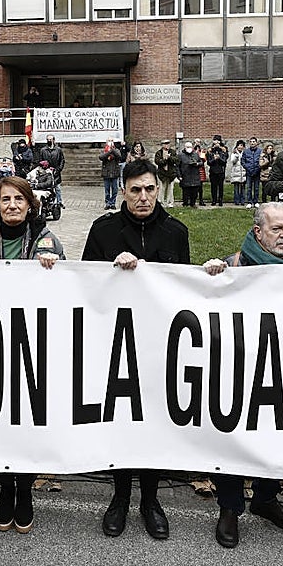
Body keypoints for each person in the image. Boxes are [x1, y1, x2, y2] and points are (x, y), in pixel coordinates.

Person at [82, 159, 190, 541]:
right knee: (122, 421)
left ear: (158, 189)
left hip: (159, 342)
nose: (143, 197)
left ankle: (150, 500)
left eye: (149, 189)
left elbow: (185, 289)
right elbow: (85, 286)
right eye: (135, 190)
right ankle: (120, 496)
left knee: (154, 422)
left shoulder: (176, 232)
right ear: (123, 192)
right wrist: (113, 271)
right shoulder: (103, 230)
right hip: (116, 341)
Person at [200, 202, 283, 548]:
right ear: (258, 232)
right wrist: (210, 278)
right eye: (277, 229)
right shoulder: (235, 265)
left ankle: (266, 497)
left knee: (278, 433)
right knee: (235, 436)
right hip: (241, 364)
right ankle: (230, 507)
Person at [0, 176, 65, 532]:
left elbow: (69, 288)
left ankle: (25, 488)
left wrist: (55, 270)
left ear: (30, 203)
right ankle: (5, 487)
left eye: (19, 199)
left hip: (33, 344)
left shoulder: (47, 239)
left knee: (27, 423)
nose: (12, 206)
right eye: (5, 200)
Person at [38, 135, 66, 209]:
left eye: (50, 139)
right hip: (46, 172)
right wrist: (44, 168)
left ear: (54, 140)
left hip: (56, 171)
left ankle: (59, 202)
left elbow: (62, 160)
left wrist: (58, 169)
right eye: (48, 139)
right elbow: (40, 161)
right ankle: (50, 202)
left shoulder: (58, 150)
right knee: (48, 188)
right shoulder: (43, 150)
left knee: (58, 188)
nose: (49, 141)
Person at [99, 137, 124, 210]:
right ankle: (107, 203)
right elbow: (101, 157)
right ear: (106, 142)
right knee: (107, 190)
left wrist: (112, 150)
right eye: (109, 141)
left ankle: (113, 203)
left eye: (112, 141)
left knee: (115, 189)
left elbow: (119, 156)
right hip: (106, 172)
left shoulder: (116, 150)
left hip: (114, 172)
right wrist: (109, 152)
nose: (110, 142)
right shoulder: (104, 150)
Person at [154, 139, 179, 208]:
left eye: (168, 144)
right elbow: (157, 162)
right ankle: (161, 203)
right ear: (162, 145)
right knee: (162, 189)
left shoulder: (172, 152)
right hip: (162, 174)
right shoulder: (159, 153)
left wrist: (169, 157)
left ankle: (170, 203)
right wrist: (165, 160)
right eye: (165, 144)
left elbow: (176, 160)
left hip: (171, 174)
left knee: (170, 189)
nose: (167, 145)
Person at [178, 140, 203, 207]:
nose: (189, 148)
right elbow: (177, 166)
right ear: (185, 147)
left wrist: (197, 164)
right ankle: (185, 203)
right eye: (187, 147)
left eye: (190, 147)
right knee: (186, 192)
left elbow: (201, 162)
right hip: (185, 175)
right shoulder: (181, 155)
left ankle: (193, 203)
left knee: (194, 192)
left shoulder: (195, 154)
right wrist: (179, 175)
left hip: (195, 176)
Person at [206, 135, 228, 206]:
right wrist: (214, 159)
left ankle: (220, 200)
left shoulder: (224, 149)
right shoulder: (210, 150)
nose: (217, 142)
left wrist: (219, 158)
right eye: (215, 140)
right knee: (213, 187)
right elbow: (209, 162)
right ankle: (214, 200)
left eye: (218, 140)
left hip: (221, 171)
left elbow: (224, 161)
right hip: (213, 171)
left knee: (221, 187)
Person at [241, 136, 263, 207]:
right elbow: (243, 161)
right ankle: (249, 202)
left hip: (257, 171)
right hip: (249, 172)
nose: (252, 143)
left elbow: (262, 160)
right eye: (251, 142)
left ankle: (256, 201)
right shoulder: (246, 151)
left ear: (256, 143)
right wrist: (247, 167)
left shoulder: (260, 151)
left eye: (254, 141)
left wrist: (258, 168)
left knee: (256, 188)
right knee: (249, 188)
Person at [229, 140, 247, 206]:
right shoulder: (234, 153)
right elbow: (233, 161)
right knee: (236, 187)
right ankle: (236, 201)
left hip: (243, 173)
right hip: (236, 173)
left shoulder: (245, 153)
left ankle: (242, 200)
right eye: (239, 145)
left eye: (241, 145)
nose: (240, 147)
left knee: (243, 188)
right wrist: (236, 156)